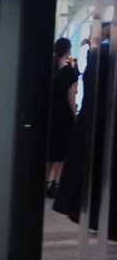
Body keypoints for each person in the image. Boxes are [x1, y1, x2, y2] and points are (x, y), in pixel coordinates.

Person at [46, 36, 78, 198]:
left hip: (50, 113)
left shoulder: (49, 68)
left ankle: (45, 182)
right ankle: (55, 184)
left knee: (51, 152)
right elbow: (71, 97)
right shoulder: (68, 71)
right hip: (63, 114)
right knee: (60, 153)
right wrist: (75, 115)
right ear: (67, 50)